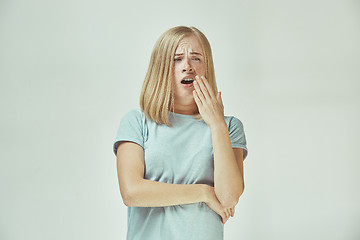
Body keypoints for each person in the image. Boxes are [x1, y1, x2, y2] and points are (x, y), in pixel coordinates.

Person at [113, 26, 248, 240]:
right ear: (161, 68)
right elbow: (131, 192)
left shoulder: (229, 127)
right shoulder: (136, 122)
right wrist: (203, 192)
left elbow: (229, 197)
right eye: (176, 59)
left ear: (207, 68)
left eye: (196, 59)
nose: (187, 67)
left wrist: (217, 125)